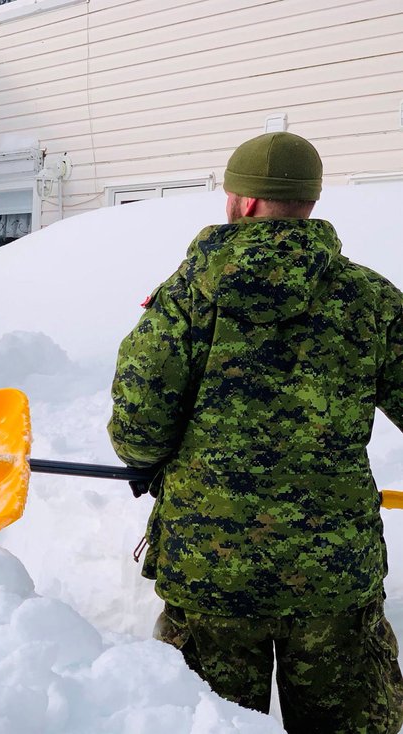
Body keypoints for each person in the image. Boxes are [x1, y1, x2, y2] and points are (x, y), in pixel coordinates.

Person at [108, 131, 403, 732]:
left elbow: (139, 421)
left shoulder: (187, 298)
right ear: (311, 203)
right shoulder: (370, 299)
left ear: (241, 202)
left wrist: (157, 461)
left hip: (210, 568)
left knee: (209, 723)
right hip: (332, 572)